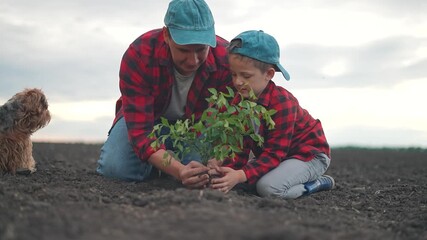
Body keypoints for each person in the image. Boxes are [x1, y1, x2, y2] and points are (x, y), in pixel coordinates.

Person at [96, 0, 232, 188]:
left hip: (195, 126)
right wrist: (179, 171)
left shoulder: (226, 59)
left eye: (201, 49)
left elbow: (229, 121)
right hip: (149, 120)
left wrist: (218, 158)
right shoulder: (140, 54)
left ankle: (162, 160)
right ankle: (159, 163)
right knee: (116, 169)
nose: (193, 61)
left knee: (200, 172)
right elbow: (141, 132)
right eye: (184, 50)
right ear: (167, 35)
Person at [208, 30, 335, 198]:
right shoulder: (238, 102)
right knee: (245, 182)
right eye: (234, 74)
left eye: (246, 76)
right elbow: (239, 147)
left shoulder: (282, 103)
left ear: (268, 74)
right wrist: (225, 169)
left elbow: (275, 154)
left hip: (308, 155)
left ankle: (317, 183)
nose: (237, 81)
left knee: (268, 188)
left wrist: (240, 175)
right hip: (279, 158)